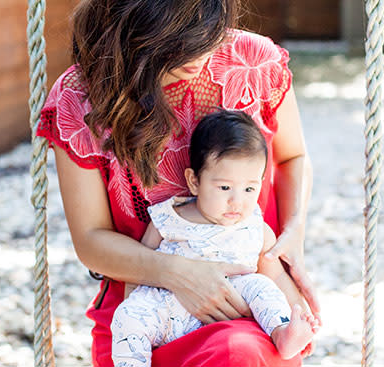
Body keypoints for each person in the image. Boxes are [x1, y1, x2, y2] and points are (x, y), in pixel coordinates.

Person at [37, 0, 320, 366]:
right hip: (143, 303)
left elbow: (292, 156)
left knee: (237, 354)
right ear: (133, 18)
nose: (201, 47)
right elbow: (91, 239)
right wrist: (178, 274)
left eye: (209, 25)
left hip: (244, 302)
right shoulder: (81, 97)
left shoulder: (254, 61)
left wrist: (293, 232)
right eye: (178, 34)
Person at [111, 110, 320, 367]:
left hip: (234, 301)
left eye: (249, 189)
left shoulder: (254, 226)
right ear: (195, 181)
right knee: (126, 317)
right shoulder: (168, 218)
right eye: (224, 188)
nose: (237, 201)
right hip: (169, 305)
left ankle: (283, 333)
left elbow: (276, 276)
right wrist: (135, 304)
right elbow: (141, 268)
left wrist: (297, 310)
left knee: (262, 287)